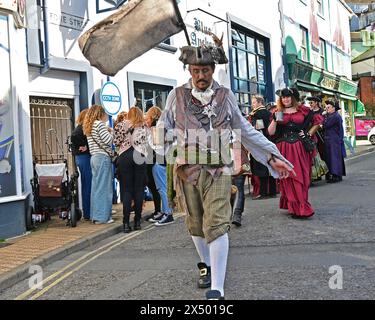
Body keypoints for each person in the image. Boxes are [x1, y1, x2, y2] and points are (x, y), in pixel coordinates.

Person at [156, 36, 294, 300]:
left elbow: (245, 130)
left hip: (219, 169)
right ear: (189, 71)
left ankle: (217, 287)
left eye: (205, 70)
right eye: (196, 70)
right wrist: (171, 153)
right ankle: (207, 265)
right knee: (196, 224)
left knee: (217, 223)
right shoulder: (176, 96)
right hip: (188, 171)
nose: (200, 76)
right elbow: (162, 131)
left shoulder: (225, 95)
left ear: (213, 70)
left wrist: (271, 155)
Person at [268, 87, 320, 219]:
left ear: (293, 98)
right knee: (288, 177)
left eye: (288, 97)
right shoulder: (277, 112)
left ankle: (302, 205)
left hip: (300, 147)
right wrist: (274, 119)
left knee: (302, 176)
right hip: (283, 147)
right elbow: (271, 132)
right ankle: (295, 207)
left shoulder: (303, 110)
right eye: (283, 97)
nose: (285, 99)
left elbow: (317, 122)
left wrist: (308, 133)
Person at [114, 107, 149, 233]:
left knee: (127, 190)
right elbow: (147, 144)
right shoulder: (145, 126)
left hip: (125, 156)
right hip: (139, 156)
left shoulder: (121, 125)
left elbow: (116, 141)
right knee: (139, 189)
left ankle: (126, 223)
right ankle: (138, 222)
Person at [83, 105, 114, 224]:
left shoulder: (89, 126)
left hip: (94, 157)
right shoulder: (99, 124)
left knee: (96, 188)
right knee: (104, 188)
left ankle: (95, 215)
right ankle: (103, 217)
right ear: (100, 113)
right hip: (102, 157)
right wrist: (111, 132)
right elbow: (108, 140)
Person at [145, 106, 175, 226]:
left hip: (160, 159)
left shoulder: (158, 127)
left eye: (148, 116)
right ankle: (164, 212)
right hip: (162, 159)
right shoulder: (163, 127)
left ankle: (168, 213)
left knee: (162, 189)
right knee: (161, 188)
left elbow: (156, 145)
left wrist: (150, 138)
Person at [249, 95, 276, 199]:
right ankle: (273, 191)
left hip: (260, 142)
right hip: (271, 142)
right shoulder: (269, 113)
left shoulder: (256, 114)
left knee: (261, 166)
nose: (252, 105)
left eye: (254, 102)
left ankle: (263, 192)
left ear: (260, 102)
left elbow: (258, 129)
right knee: (271, 165)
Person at [71, 109, 92, 220]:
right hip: (84, 158)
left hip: (81, 158)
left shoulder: (80, 128)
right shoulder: (81, 129)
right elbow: (74, 137)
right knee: (88, 184)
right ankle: (88, 213)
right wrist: (84, 146)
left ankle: (88, 212)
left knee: (87, 184)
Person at [323, 100, 346, 183]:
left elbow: (326, 125)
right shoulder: (333, 115)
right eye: (326, 108)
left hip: (333, 140)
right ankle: (336, 175)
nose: (326, 109)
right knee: (333, 157)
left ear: (333, 108)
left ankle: (336, 176)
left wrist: (324, 118)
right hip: (332, 139)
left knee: (334, 158)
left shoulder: (335, 116)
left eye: (328, 107)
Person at [306, 96, 328, 183]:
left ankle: (327, 173)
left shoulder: (322, 112)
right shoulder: (309, 112)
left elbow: (324, 123)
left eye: (311, 103)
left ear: (316, 103)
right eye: (309, 103)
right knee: (314, 156)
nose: (310, 104)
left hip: (321, 135)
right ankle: (317, 175)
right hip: (312, 135)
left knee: (322, 154)